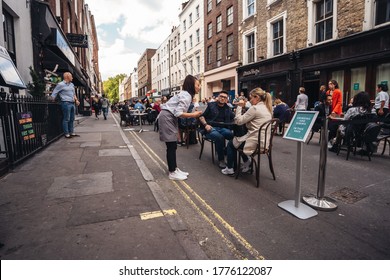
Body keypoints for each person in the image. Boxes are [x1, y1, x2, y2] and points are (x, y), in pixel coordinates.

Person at [158, 75, 202, 180]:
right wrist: (194, 115)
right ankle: (172, 172)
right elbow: (178, 113)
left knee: (173, 145)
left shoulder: (187, 95)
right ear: (192, 85)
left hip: (168, 117)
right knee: (171, 146)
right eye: (198, 84)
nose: (199, 87)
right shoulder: (186, 96)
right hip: (167, 117)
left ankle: (174, 168)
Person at [221, 88, 273, 175]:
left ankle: (230, 168)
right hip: (264, 142)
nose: (250, 100)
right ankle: (246, 162)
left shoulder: (255, 109)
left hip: (255, 143)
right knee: (239, 140)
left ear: (257, 97)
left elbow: (238, 121)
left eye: (251, 98)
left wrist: (239, 107)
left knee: (231, 144)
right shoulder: (268, 108)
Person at [198, 90, 236, 168]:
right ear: (218, 97)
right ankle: (221, 159)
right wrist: (206, 125)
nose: (222, 98)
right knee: (219, 137)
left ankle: (228, 155)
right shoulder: (210, 105)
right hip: (211, 128)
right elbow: (201, 116)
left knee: (233, 136)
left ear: (227, 99)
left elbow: (235, 118)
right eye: (221, 96)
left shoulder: (228, 108)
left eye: (224, 97)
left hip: (223, 128)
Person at [50, 72, 80, 138]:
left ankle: (71, 132)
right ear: (67, 77)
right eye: (71, 76)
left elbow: (73, 94)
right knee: (66, 119)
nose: (72, 77)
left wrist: (76, 100)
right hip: (65, 103)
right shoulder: (60, 84)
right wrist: (52, 100)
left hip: (72, 103)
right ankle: (67, 133)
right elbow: (54, 93)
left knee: (72, 119)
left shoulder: (72, 84)